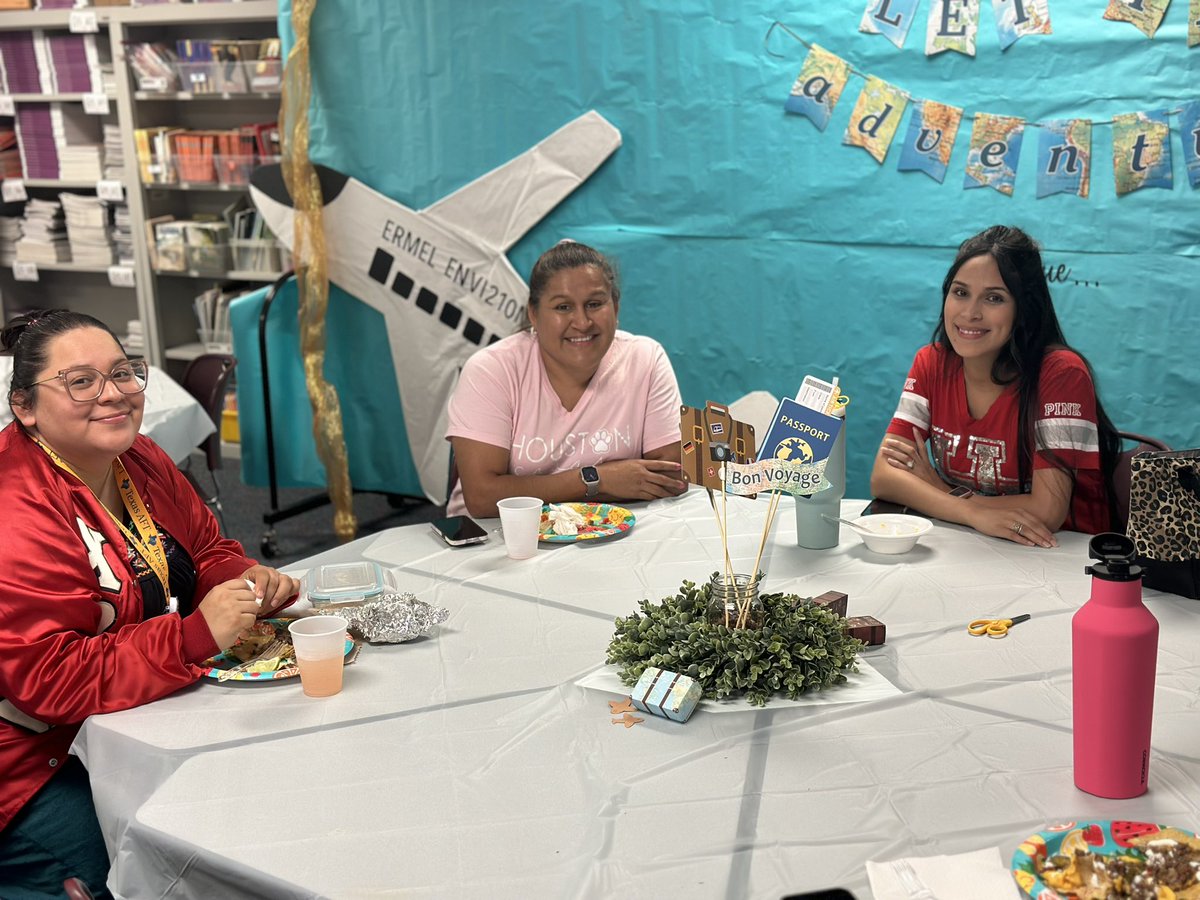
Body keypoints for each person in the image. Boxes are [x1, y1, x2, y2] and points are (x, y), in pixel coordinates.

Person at [0, 310, 299, 898]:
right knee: (156, 866)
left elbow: (206, 547)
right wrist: (192, 637)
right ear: (25, 407)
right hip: (34, 761)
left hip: (128, 716)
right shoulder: (16, 508)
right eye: (80, 381)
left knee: (269, 796)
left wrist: (246, 580)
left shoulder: (137, 457)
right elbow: (47, 677)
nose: (113, 395)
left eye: (123, 373)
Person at [870, 225, 1120, 548]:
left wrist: (940, 492)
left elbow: (1047, 511)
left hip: (1062, 557)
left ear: (1023, 308)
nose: (971, 313)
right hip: (971, 543)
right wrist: (972, 513)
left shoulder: (1061, 375)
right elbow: (884, 477)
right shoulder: (930, 363)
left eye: (994, 298)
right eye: (960, 292)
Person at [446, 240, 686, 518]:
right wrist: (598, 480)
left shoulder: (646, 358)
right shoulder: (491, 370)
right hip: (498, 538)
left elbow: (669, 477)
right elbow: (483, 497)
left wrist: (530, 489)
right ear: (533, 314)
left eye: (594, 304)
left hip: (607, 534)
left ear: (616, 308)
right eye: (563, 307)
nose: (582, 322)